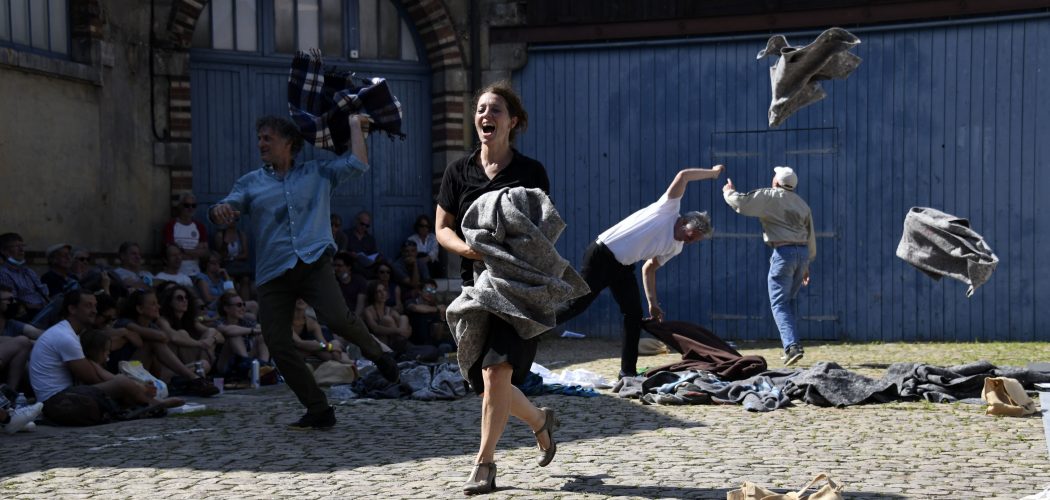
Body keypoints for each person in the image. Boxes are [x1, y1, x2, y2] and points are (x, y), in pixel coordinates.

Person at [208, 114, 399, 429]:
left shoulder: (317, 173)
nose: (261, 144)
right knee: (278, 344)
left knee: (337, 318)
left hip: (313, 263)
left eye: (267, 138)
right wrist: (218, 212)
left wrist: (354, 126)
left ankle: (378, 355)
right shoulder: (251, 182)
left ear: (289, 143)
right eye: (259, 139)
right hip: (273, 273)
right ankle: (318, 409)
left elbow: (357, 163)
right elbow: (226, 207)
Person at [434, 81, 559, 494]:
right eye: (481, 109)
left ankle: (484, 465)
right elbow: (442, 229)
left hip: (519, 291)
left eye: (496, 110)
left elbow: (540, 234)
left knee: (495, 371)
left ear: (514, 122)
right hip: (477, 292)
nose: (486, 116)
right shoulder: (458, 172)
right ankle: (540, 420)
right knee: (489, 381)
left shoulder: (530, 172)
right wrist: (469, 250)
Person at [556, 165, 723, 379]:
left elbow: (649, 268)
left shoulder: (676, 247)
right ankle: (531, 328)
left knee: (633, 315)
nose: (689, 242)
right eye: (690, 236)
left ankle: (627, 372)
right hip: (601, 255)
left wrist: (653, 303)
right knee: (576, 305)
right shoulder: (668, 209)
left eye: (694, 241)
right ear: (684, 222)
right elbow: (683, 175)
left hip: (623, 267)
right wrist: (713, 173)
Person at [28, 290, 184, 416]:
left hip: (67, 396)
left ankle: (143, 401)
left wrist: (137, 385)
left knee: (119, 381)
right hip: (56, 401)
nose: (94, 311)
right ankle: (154, 404)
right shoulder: (65, 336)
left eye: (95, 306)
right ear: (72, 309)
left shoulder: (71, 333)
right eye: (88, 306)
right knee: (120, 383)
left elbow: (94, 368)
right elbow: (91, 378)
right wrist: (133, 387)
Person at [722, 166, 816, 366]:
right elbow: (810, 236)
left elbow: (742, 203)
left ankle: (792, 346)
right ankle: (792, 343)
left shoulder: (769, 196)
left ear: (776, 182)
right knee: (788, 301)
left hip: (783, 253)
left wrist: (728, 192)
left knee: (779, 303)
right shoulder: (802, 204)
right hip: (802, 254)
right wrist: (806, 264)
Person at [115, 290, 220, 396]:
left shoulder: (151, 326)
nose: (158, 306)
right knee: (153, 341)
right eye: (153, 304)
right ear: (140, 309)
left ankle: (187, 380)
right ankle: (194, 379)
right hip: (126, 372)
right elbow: (162, 336)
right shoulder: (125, 323)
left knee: (203, 364)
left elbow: (164, 338)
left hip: (149, 371)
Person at [157, 284, 223, 374]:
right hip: (173, 369)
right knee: (182, 333)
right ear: (170, 302)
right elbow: (174, 337)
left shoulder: (189, 320)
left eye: (186, 298)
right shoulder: (163, 320)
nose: (184, 301)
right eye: (180, 298)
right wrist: (201, 344)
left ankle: (202, 366)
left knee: (211, 331)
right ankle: (202, 367)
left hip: (191, 363)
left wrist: (212, 339)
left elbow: (220, 336)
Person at [0, 233, 49, 319]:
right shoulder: (3, 273)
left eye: (22, 246)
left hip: (44, 312)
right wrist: (33, 306)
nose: (22, 249)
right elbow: (13, 304)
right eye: (16, 246)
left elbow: (43, 292)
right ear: (4, 251)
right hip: (28, 317)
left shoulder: (28, 271)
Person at [290, 299, 351, 364]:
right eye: (297, 296)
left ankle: (350, 363)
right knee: (315, 349)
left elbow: (323, 344)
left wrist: (332, 346)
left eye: (303, 296)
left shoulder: (311, 322)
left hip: (307, 351)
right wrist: (329, 346)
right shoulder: (284, 321)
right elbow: (299, 343)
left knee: (326, 347)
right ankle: (348, 363)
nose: (301, 300)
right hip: (287, 354)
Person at [164, 192, 210, 277]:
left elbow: (205, 253)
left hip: (196, 273)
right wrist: (195, 253)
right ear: (180, 206)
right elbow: (170, 253)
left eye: (193, 205)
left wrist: (184, 251)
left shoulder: (200, 227)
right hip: (176, 273)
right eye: (187, 205)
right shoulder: (171, 226)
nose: (190, 208)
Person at [361, 281, 411, 355]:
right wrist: (398, 330)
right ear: (373, 294)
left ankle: (401, 347)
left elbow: (405, 328)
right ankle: (400, 348)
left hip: (395, 339)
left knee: (404, 318)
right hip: (380, 343)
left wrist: (405, 330)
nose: (383, 293)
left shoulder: (390, 309)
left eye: (384, 290)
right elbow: (375, 328)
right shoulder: (368, 310)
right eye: (379, 291)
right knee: (387, 319)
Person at [405, 278, 453, 351]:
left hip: (430, 343)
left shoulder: (434, 306)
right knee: (421, 315)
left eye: (433, 291)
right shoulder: (411, 301)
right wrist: (437, 309)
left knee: (450, 345)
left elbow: (437, 337)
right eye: (428, 290)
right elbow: (414, 308)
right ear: (420, 291)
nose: (430, 293)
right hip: (413, 341)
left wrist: (441, 317)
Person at [332, 251, 367, 317]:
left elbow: (360, 305)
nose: (335, 268)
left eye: (339, 265)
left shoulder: (359, 281)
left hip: (354, 317)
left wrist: (354, 320)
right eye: (334, 265)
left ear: (349, 267)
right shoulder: (333, 282)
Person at [407, 214, 442, 278]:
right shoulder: (411, 239)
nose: (424, 228)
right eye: (421, 226)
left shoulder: (433, 238)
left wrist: (426, 259)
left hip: (430, 263)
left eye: (426, 226)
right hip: (417, 263)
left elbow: (434, 252)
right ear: (417, 227)